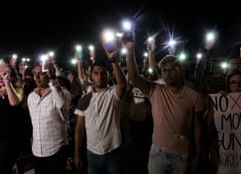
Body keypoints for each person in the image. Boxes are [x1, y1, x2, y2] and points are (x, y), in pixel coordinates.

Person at [124, 31, 204, 174]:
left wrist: (197, 156)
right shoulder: (155, 90)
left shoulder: (194, 96)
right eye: (164, 70)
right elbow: (135, 78)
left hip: (182, 156)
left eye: (173, 69)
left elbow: (198, 129)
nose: (168, 73)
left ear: (182, 71)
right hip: (157, 153)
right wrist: (130, 50)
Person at [73, 41, 127, 174]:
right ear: (90, 76)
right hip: (92, 153)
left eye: (103, 73)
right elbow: (79, 128)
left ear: (108, 76)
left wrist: (112, 59)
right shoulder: (85, 99)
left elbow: (122, 85)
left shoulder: (112, 94)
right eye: (96, 73)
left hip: (113, 152)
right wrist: (77, 153)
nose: (100, 76)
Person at [27, 62, 72, 174]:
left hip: (56, 150)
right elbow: (33, 123)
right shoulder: (31, 97)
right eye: (34, 74)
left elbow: (65, 113)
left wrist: (53, 82)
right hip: (37, 151)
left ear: (49, 74)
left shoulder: (62, 93)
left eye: (41, 74)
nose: (36, 77)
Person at [0, 62, 24, 174]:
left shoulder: (17, 90)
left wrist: (7, 82)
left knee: (0, 170)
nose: (0, 78)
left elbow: (14, 102)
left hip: (9, 136)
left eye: (4, 74)